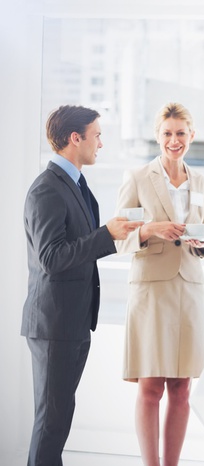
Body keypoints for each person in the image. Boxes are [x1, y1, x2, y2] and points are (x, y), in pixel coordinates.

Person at [22, 105, 142, 466]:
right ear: (76, 138)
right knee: (51, 423)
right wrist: (106, 234)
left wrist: (118, 235)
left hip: (71, 321)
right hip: (54, 323)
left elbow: (79, 247)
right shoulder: (47, 189)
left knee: (57, 422)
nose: (101, 144)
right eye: (97, 135)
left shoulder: (75, 184)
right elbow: (52, 258)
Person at [115, 102, 204, 466]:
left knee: (182, 388)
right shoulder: (138, 177)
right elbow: (120, 237)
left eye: (181, 133)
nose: (175, 141)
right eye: (168, 133)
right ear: (158, 136)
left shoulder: (202, 182)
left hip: (189, 288)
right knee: (150, 386)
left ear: (191, 136)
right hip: (151, 290)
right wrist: (152, 229)